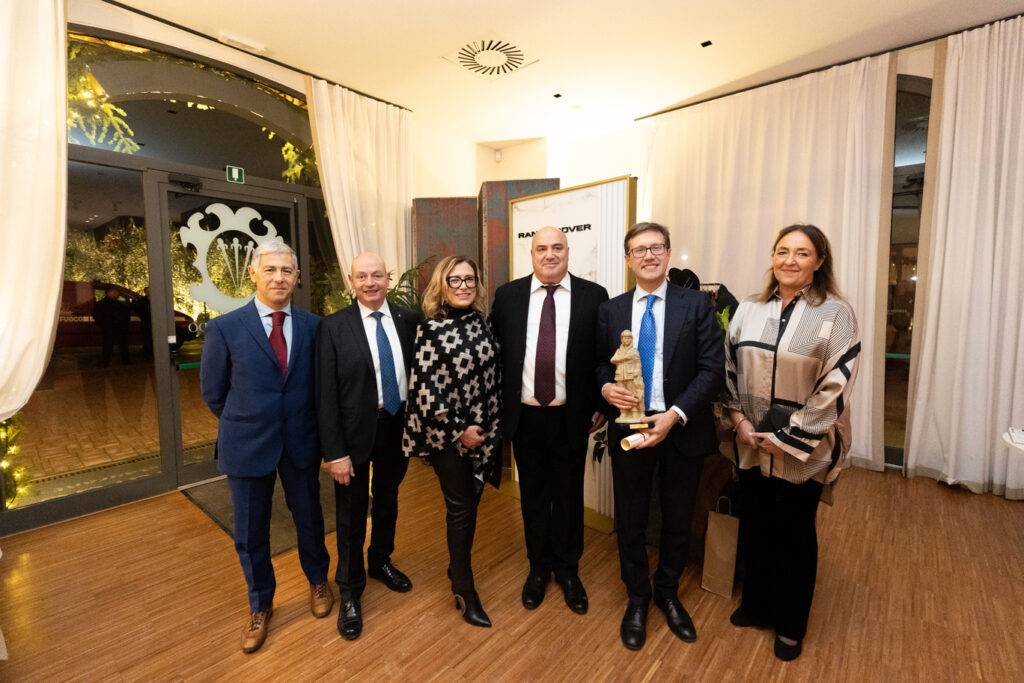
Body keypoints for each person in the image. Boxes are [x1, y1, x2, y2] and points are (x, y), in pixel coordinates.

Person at [723, 224, 860, 661]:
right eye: (783, 251)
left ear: (819, 261)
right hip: (750, 443)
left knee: (795, 537)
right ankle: (757, 604)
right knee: (757, 527)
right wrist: (739, 420)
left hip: (803, 451)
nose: (790, 260)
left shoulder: (835, 314)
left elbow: (836, 385)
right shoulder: (749, 308)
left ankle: (790, 625)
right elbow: (729, 368)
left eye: (802, 253)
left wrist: (787, 438)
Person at [596, 222, 725, 651]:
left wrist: (674, 415)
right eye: (639, 249)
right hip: (630, 427)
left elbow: (712, 369)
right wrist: (605, 388)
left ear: (668, 253)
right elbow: (598, 363)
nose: (649, 255)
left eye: (656, 247)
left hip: (681, 428)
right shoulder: (611, 310)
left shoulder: (697, 305)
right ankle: (637, 596)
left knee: (677, 517)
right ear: (628, 259)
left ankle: (667, 592)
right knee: (630, 518)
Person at [200, 239, 332, 654]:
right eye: (270, 269)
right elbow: (213, 393)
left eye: (286, 270)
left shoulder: (314, 327)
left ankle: (318, 582)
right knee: (250, 532)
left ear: (297, 277)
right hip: (247, 445)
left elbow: (319, 387)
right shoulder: (224, 328)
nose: (279, 277)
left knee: (310, 519)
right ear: (253, 273)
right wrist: (250, 419)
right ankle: (260, 605)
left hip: (300, 443)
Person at [490, 226, 608, 615]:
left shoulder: (594, 296)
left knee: (570, 496)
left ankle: (568, 570)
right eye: (542, 248)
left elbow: (602, 357)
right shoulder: (508, 296)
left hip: (571, 417)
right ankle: (538, 568)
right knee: (534, 497)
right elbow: (495, 356)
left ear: (568, 252)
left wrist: (600, 404)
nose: (550, 254)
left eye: (557, 247)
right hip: (525, 417)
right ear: (532, 254)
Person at [315, 253, 420, 641]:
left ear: (389, 278)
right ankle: (350, 589)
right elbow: (324, 395)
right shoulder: (333, 327)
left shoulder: (409, 320)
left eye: (377, 275)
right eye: (362, 276)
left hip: (397, 427)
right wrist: (334, 453)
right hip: (353, 435)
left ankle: (380, 561)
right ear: (351, 280)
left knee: (388, 499)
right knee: (351, 513)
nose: (370, 282)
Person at [402, 255, 501, 628]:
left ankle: (455, 567)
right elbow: (425, 391)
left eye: (469, 279)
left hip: (485, 432)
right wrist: (462, 428)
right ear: (442, 287)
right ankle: (463, 586)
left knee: (470, 506)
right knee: (460, 509)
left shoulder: (482, 323)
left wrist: (489, 425)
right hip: (448, 435)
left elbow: (493, 376)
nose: (464, 286)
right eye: (455, 280)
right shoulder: (431, 329)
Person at [93, 285, 130, 366]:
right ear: (108, 293)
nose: (117, 293)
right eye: (114, 292)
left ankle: (126, 360)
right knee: (108, 346)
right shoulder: (100, 304)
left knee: (123, 345)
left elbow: (126, 316)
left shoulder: (121, 304)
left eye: (117, 292)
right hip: (109, 329)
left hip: (121, 329)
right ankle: (106, 361)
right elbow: (97, 316)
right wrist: (105, 326)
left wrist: (124, 326)